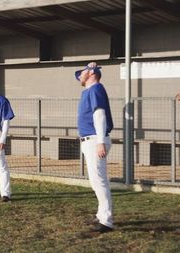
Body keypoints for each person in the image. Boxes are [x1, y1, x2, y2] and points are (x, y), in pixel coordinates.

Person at [75, 62, 114, 233]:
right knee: (95, 181)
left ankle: (106, 220)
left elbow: (99, 115)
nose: (79, 76)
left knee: (99, 180)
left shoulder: (95, 89)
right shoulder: (90, 90)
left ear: (91, 73)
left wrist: (100, 141)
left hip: (94, 139)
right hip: (90, 140)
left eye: (82, 72)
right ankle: (101, 214)